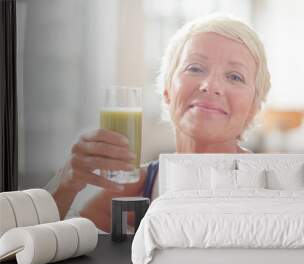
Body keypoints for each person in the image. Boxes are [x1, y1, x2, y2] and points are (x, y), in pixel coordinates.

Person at [50, 14, 271, 232]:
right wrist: (66, 184)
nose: (210, 85)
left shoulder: (270, 185)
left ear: (254, 108)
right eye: (194, 68)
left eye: (235, 76)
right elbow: (32, 245)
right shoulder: (138, 186)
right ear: (167, 91)